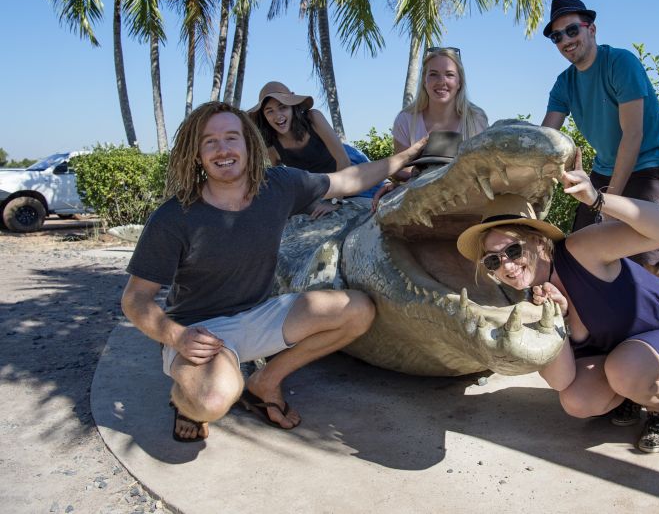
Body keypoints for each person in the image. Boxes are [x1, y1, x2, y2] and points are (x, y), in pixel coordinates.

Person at [121, 101, 426, 443]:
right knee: (213, 400)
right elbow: (135, 299)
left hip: (260, 314)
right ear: (196, 153)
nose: (223, 149)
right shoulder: (173, 217)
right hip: (199, 331)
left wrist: (406, 156)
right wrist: (176, 337)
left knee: (358, 310)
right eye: (210, 141)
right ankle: (187, 401)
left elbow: (348, 180)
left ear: (248, 145)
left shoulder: (278, 186)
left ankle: (264, 383)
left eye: (231, 138)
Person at [456, 150, 659, 453]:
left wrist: (597, 199)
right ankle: (631, 394)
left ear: (538, 241)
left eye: (513, 251)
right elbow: (561, 380)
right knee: (576, 401)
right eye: (493, 261)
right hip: (623, 356)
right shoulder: (531, 301)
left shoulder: (580, 250)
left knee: (625, 370)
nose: (507, 266)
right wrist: (557, 321)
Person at [539, 0, 659, 283]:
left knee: (650, 260)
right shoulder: (564, 83)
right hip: (604, 167)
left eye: (572, 30)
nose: (565, 40)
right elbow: (544, 140)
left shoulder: (621, 63)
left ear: (592, 29)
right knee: (581, 248)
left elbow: (633, 135)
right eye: (557, 36)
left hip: (646, 163)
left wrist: (606, 202)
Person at [373, 47, 488, 206]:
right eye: (433, 74)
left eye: (449, 75)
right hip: (421, 199)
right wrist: (402, 186)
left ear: (459, 82)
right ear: (424, 81)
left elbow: (482, 169)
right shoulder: (406, 119)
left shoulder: (476, 119)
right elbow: (401, 168)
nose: (442, 81)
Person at [250, 81, 350, 174]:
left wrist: (337, 192)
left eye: (283, 107)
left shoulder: (314, 118)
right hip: (318, 189)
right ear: (264, 117)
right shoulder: (272, 148)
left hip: (347, 167)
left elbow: (343, 160)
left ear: (292, 107)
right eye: (270, 111)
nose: (278, 116)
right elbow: (278, 181)